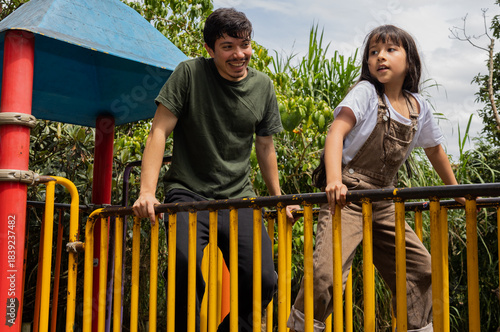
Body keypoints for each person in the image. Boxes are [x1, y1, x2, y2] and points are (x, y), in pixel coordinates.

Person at [287, 25, 464, 332]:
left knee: (421, 268)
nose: (381, 57)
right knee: (325, 274)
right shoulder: (366, 93)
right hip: (348, 196)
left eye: (390, 50)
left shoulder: (417, 106)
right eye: (373, 52)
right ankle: (302, 327)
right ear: (368, 63)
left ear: (409, 61)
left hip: (383, 199)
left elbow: (435, 150)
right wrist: (334, 180)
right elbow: (336, 133)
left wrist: (457, 191)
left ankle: (416, 327)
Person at [132, 7, 298, 332]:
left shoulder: (263, 87)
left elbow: (266, 148)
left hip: (239, 198)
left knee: (262, 278)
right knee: (184, 267)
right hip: (188, 194)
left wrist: (278, 198)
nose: (240, 55)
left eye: (245, 45)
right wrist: (147, 192)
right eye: (228, 47)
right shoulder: (189, 73)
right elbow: (159, 132)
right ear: (209, 49)